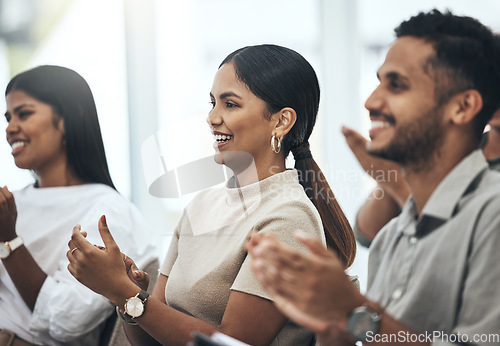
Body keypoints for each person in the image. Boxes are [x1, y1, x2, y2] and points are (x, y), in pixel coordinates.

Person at [66, 44, 357, 346]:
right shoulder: (201, 205)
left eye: (230, 104)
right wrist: (128, 294)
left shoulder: (288, 216)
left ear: (281, 121)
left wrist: (123, 292)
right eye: (212, 103)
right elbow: (150, 340)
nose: (212, 117)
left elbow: (234, 343)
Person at [247, 10, 500, 345]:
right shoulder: (391, 237)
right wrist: (331, 323)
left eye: (396, 85)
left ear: (463, 107)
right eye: (379, 81)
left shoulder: (492, 216)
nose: (371, 101)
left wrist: (354, 311)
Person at [0, 65, 156, 345]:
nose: (10, 128)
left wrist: (9, 242)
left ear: (69, 118)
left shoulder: (106, 210)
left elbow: (67, 321)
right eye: (8, 117)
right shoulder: (12, 203)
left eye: (24, 114)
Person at [343, 106, 500, 248]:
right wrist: (387, 172)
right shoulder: (454, 150)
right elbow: (370, 233)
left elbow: (455, 248)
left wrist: (396, 182)